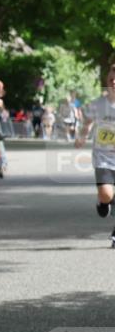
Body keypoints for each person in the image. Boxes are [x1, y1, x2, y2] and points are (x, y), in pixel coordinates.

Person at [75, 62, 115, 246]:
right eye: (112, 79)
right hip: (103, 158)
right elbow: (87, 122)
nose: (114, 82)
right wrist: (82, 137)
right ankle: (103, 202)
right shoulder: (98, 104)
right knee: (107, 194)